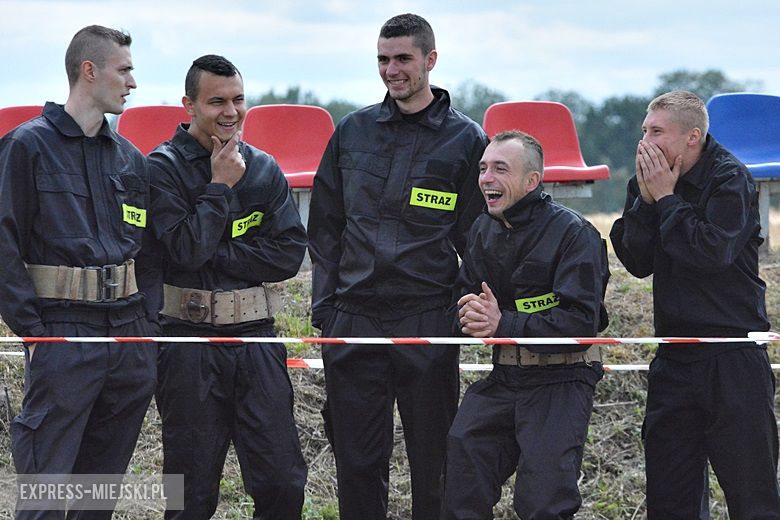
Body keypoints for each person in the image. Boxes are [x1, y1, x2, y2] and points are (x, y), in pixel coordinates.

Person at [306, 13, 489, 520]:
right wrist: (327, 311)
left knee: (435, 465)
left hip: (426, 319)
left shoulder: (467, 140)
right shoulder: (353, 131)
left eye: (403, 58)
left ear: (431, 60)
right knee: (357, 464)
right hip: (353, 319)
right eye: (383, 59)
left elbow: (478, 240)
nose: (392, 70)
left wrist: (459, 312)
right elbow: (325, 227)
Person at [0, 25, 160, 518]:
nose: (133, 82)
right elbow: (2, 243)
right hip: (62, 336)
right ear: (89, 71)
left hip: (128, 340)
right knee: (44, 500)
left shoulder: (131, 160)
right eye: (124, 70)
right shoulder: (26, 147)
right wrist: (35, 333)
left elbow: (149, 255)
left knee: (97, 500)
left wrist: (146, 332)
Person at [147, 54, 308, 520]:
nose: (231, 111)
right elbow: (184, 251)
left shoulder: (263, 167)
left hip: (256, 338)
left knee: (282, 482)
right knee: (191, 494)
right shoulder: (161, 168)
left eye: (238, 99)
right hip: (187, 342)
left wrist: (215, 249)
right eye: (217, 101)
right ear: (189, 106)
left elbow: (288, 255)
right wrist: (219, 186)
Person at [610, 90, 780, 519]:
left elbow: (710, 253)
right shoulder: (649, 182)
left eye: (657, 132)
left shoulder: (730, 178)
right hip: (674, 356)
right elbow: (636, 261)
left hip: (733, 357)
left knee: (753, 497)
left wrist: (668, 200)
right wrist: (646, 202)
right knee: (670, 500)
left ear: (692, 137)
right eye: (644, 131)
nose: (645, 142)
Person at [440, 131, 610, 520]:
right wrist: (467, 316)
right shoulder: (482, 229)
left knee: (543, 502)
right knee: (461, 477)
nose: (486, 178)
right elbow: (462, 302)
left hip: (562, 380)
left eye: (500, 169)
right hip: (503, 377)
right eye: (483, 168)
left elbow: (580, 324)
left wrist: (504, 323)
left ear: (532, 180)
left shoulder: (575, 234)